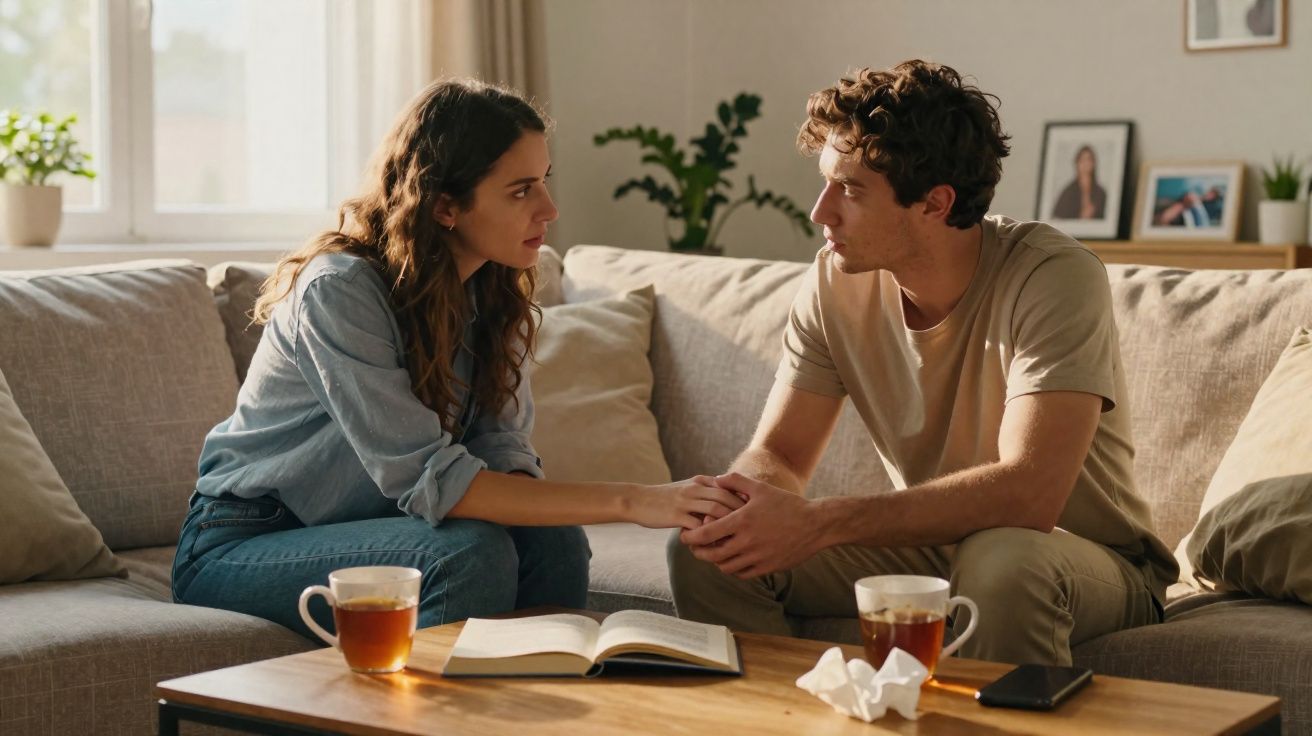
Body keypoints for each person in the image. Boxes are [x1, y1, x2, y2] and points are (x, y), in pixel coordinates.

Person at [172, 80, 743, 639]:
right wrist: (635, 500)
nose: (549, 209)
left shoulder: (494, 290)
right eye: (520, 191)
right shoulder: (339, 291)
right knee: (467, 555)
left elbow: (501, 451)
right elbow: (431, 480)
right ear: (445, 205)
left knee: (556, 542)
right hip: (245, 541)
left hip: (382, 527)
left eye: (543, 181)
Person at [667, 60, 1176, 666]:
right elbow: (779, 455)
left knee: (1002, 562)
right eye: (827, 183)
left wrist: (821, 522)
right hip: (936, 543)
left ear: (935, 203)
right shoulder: (833, 282)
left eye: (850, 190)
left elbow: (1029, 493)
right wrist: (746, 504)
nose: (820, 212)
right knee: (711, 551)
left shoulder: (1052, 276)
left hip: (1076, 555)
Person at [1050, 145, 1106, 220]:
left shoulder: (1100, 193)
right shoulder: (1068, 192)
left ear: (1094, 163)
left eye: (1088, 159)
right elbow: (1058, 218)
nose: (1085, 163)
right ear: (1077, 163)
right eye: (1082, 160)